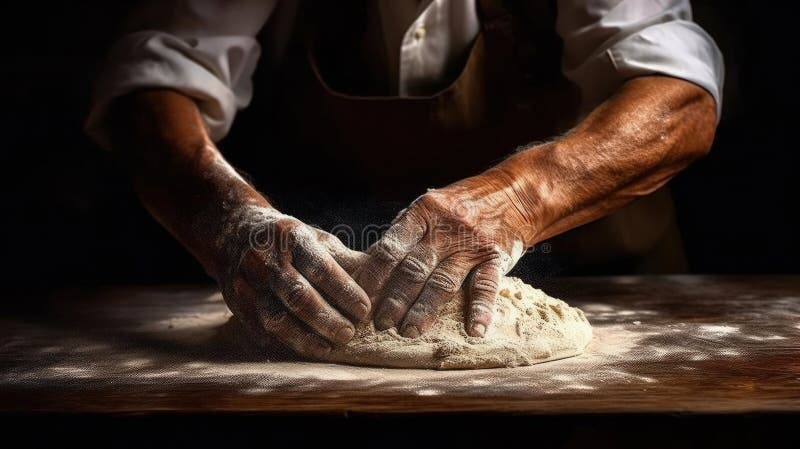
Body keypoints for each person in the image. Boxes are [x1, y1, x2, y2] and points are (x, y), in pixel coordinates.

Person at [86, 0, 723, 359]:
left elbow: (682, 95)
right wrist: (226, 221)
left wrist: (520, 197)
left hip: (618, 286)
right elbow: (154, 78)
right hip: (319, 294)